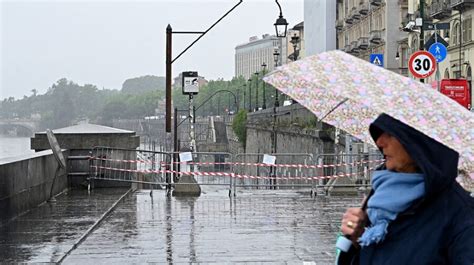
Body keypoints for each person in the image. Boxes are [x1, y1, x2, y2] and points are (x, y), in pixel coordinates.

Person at [337, 113, 474, 264]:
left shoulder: (461, 214)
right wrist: (356, 241)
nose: (380, 141)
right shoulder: (380, 196)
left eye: (391, 134)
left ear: (419, 143)